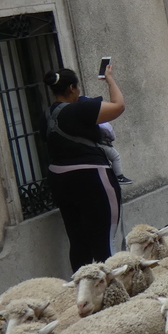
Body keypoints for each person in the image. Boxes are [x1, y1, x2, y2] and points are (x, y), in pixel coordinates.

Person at [41, 65, 125, 271]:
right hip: (92, 178)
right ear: (71, 88)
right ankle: (112, 293)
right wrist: (110, 79)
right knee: (104, 243)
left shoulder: (46, 115)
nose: (79, 91)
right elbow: (118, 106)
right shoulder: (79, 109)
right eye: (77, 87)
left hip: (59, 180)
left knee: (78, 242)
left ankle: (84, 291)